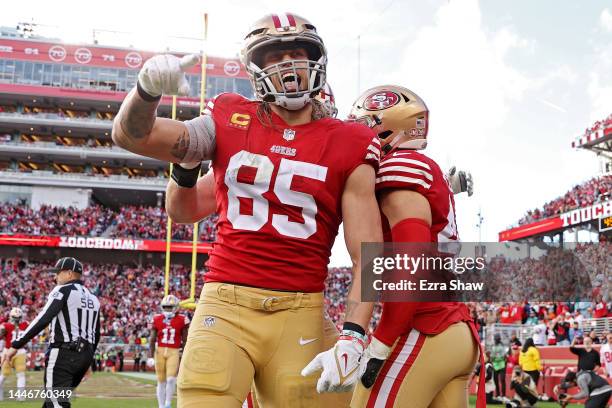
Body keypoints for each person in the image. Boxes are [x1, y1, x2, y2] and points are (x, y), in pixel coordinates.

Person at [112, 12, 382, 408]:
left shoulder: (350, 141)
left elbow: (369, 255)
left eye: (297, 52)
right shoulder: (230, 119)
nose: (289, 64)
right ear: (256, 68)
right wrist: (146, 91)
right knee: (206, 396)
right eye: (275, 56)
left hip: (300, 308)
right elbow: (132, 136)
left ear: (318, 60)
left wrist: (354, 335)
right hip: (225, 303)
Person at [319, 85, 482, 407]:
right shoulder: (421, 168)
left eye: (362, 126)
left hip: (425, 327)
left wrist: (380, 342)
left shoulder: (398, 167)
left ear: (384, 127)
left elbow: (413, 259)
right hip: (454, 330)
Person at [0, 257, 101, 408]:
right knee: (52, 402)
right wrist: (88, 361)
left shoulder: (63, 290)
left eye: (57, 273)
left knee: (56, 403)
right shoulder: (94, 298)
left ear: (69, 273)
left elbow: (43, 319)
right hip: (84, 355)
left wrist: (15, 345)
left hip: (64, 353)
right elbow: (96, 333)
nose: (55, 277)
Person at [149, 295, 190, 408]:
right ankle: (161, 406)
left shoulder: (182, 319)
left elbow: (185, 339)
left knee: (171, 379)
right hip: (159, 352)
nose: (167, 309)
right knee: (161, 381)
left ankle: (167, 403)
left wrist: (186, 353)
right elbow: (152, 339)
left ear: (176, 307)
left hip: (174, 351)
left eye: (170, 307)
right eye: (166, 307)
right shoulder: (157, 318)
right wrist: (150, 356)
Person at [0, 307, 29, 401]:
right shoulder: (25, 324)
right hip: (15, 351)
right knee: (8, 375)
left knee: (16, 375)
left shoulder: (5, 325)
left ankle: (20, 397)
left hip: (12, 351)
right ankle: (21, 397)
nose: (17, 319)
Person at [491, 333, 508, 398]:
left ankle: (503, 395)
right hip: (495, 365)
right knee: (496, 380)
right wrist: (492, 361)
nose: (496, 340)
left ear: (499, 339)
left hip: (502, 365)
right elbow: (492, 356)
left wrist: (504, 361)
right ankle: (497, 394)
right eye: (495, 338)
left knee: (502, 379)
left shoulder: (502, 346)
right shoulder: (493, 346)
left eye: (497, 338)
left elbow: (504, 356)